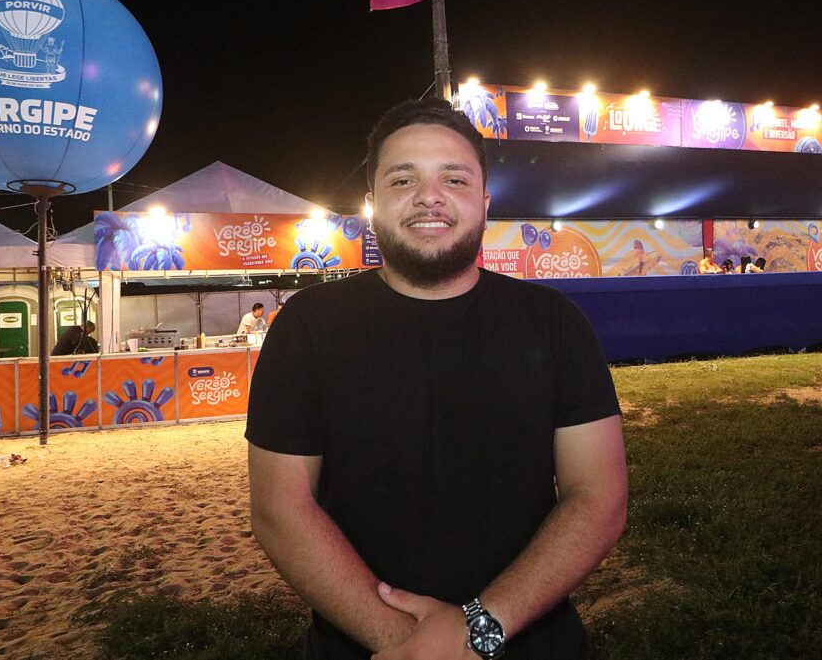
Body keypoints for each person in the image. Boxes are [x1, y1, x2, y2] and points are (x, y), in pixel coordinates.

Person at [247, 98, 627, 660]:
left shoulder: (554, 323)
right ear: (372, 203)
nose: (430, 196)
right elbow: (280, 510)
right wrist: (408, 644)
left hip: (534, 643)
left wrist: (479, 631)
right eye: (404, 180)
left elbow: (598, 497)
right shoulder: (308, 326)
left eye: (454, 178)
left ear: (484, 203)